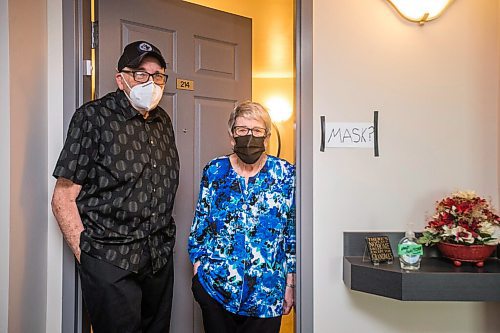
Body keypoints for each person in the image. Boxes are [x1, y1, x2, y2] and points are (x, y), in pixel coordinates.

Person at [51, 40, 179, 333]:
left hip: (158, 259)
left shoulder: (163, 121)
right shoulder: (92, 117)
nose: (152, 82)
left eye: (158, 75)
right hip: (111, 260)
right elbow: (63, 197)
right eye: (141, 74)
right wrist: (90, 259)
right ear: (121, 79)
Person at [188, 101, 296, 333]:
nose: (250, 137)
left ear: (266, 138)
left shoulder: (285, 174)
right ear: (232, 135)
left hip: (266, 295)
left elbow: (291, 232)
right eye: (242, 130)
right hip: (216, 289)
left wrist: (290, 283)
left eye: (257, 131)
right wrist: (198, 268)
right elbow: (201, 223)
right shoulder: (215, 170)